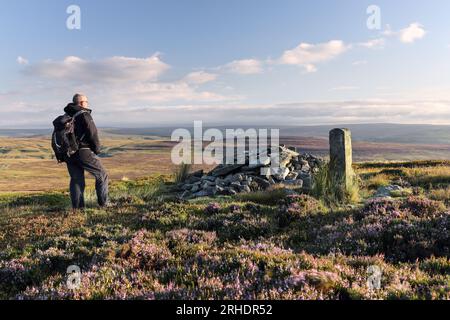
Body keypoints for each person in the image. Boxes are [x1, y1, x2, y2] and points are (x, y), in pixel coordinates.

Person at [64, 93, 110, 211]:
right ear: (81, 103)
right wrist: (96, 149)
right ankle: (104, 204)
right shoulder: (84, 114)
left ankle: (78, 209)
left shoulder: (66, 116)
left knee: (76, 179)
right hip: (83, 152)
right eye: (86, 101)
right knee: (102, 174)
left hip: (69, 154)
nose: (87, 103)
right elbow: (93, 133)